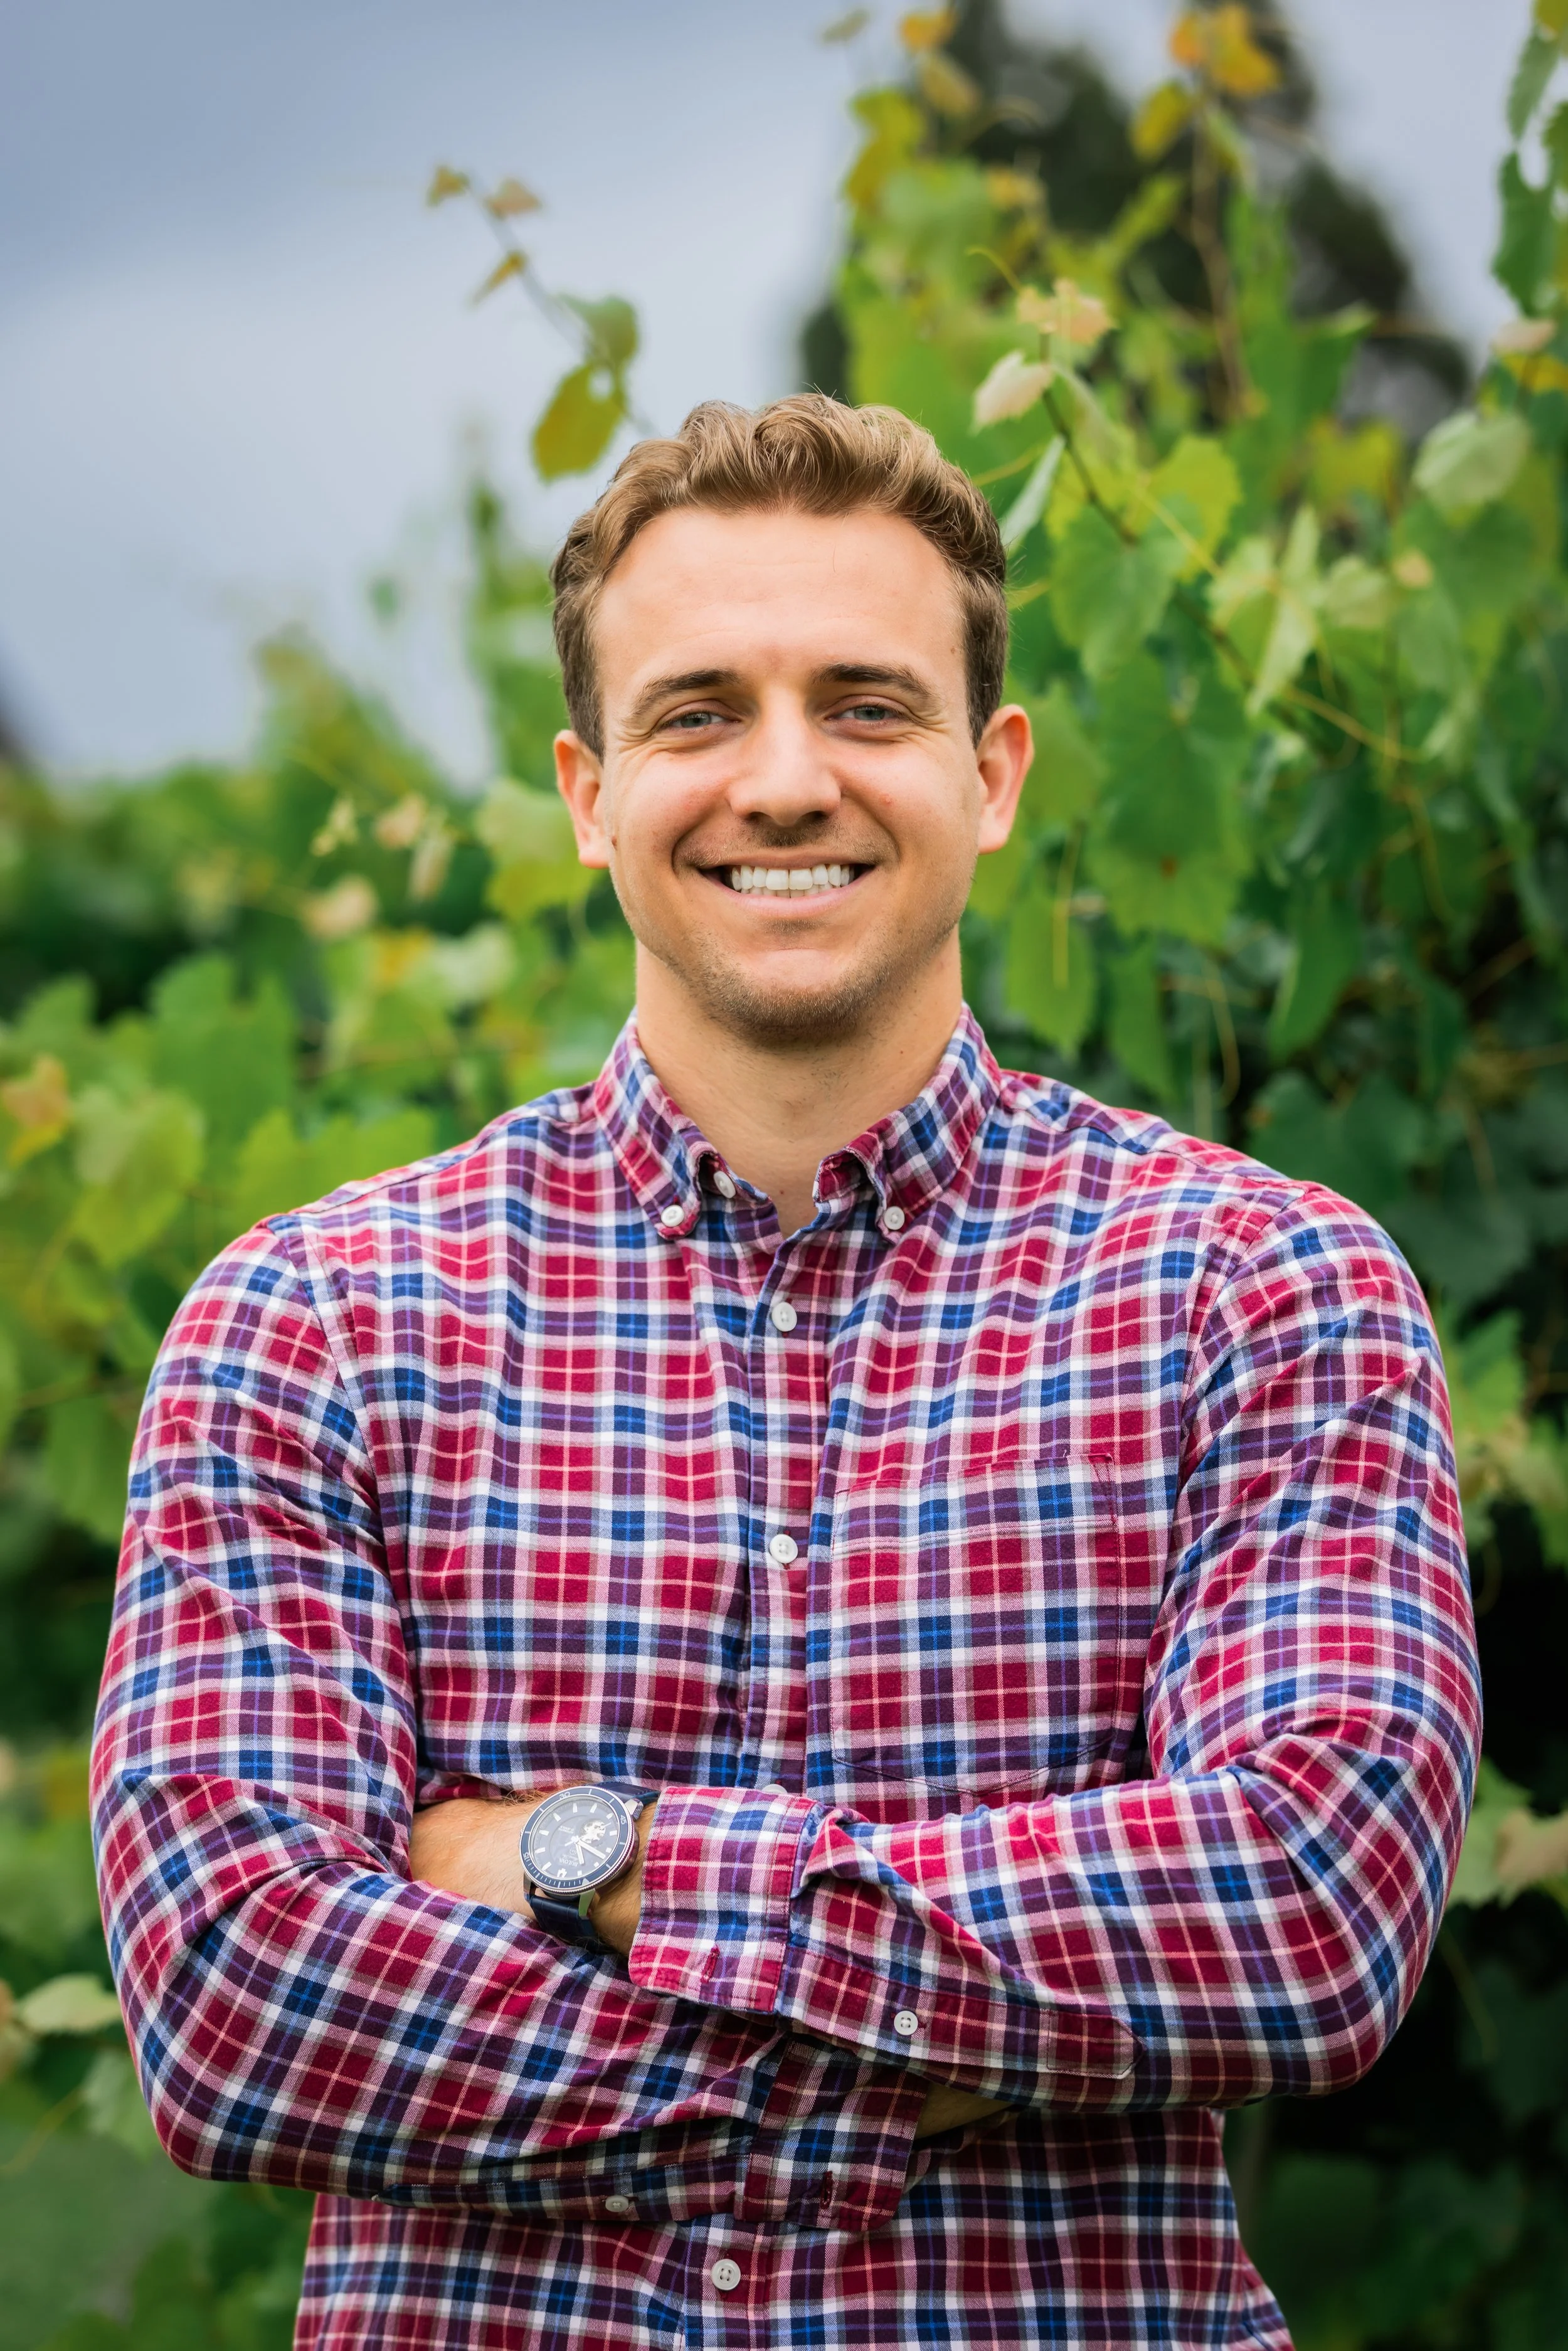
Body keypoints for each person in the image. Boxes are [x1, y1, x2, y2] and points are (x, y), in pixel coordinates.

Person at [93, 395, 1481, 2351]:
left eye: (864, 702)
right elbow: (234, 2001)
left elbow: (1297, 1914)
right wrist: (935, 2043)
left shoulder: (1257, 1293)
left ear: (990, 772)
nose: (781, 778)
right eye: (694, 713)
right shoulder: (315, 1323)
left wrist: (577, 1863)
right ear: (587, 790)